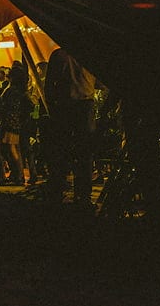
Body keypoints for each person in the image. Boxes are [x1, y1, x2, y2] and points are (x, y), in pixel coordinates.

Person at [43, 48, 96, 210]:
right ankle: (83, 196)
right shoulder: (89, 54)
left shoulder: (59, 55)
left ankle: (58, 194)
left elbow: (49, 85)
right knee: (84, 154)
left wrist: (52, 108)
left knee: (61, 152)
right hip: (84, 106)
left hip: (64, 107)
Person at [0, 64, 33, 185]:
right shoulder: (21, 91)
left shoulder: (12, 91)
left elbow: (6, 105)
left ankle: (19, 176)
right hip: (17, 122)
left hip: (10, 122)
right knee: (15, 149)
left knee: (12, 149)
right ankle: (17, 175)